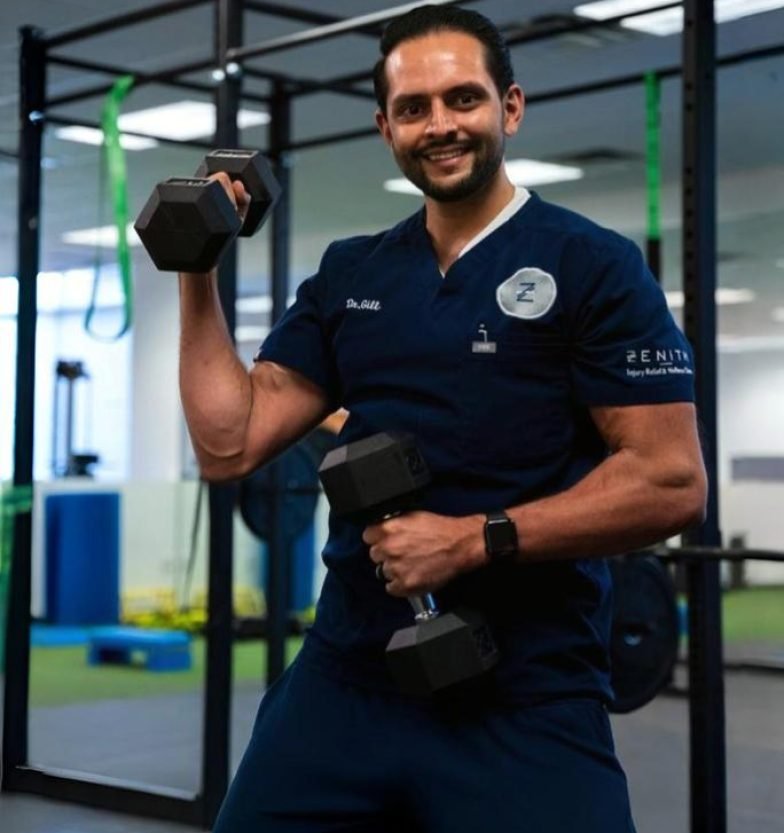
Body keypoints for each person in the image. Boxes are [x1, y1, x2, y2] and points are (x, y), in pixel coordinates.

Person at [178, 5, 707, 832]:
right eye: (414, 108)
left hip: (526, 689)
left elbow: (671, 481)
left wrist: (474, 538)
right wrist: (194, 266)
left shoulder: (593, 266)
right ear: (385, 127)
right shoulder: (352, 271)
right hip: (348, 677)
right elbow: (228, 442)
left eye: (463, 99)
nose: (440, 125)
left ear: (510, 107)